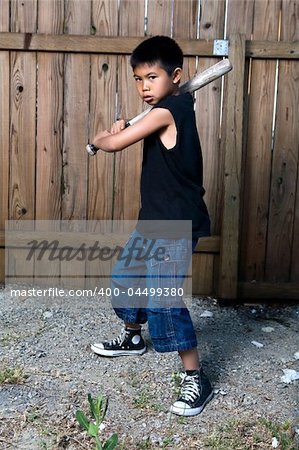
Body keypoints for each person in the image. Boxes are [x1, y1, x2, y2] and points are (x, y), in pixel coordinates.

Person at [90, 36, 213, 417]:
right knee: (127, 278)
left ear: (176, 76)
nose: (144, 86)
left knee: (163, 299)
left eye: (153, 77)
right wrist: (121, 128)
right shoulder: (169, 104)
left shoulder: (169, 109)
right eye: (138, 79)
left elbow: (112, 145)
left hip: (174, 226)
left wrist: (103, 135)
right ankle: (132, 338)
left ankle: (196, 376)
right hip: (154, 220)